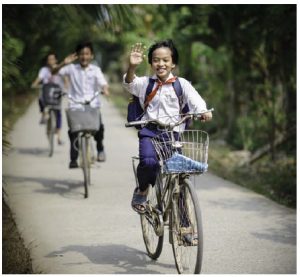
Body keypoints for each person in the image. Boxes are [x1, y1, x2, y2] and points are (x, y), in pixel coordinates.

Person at [123, 39, 213, 214]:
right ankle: (142, 191)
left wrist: (203, 111)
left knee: (179, 177)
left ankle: (185, 226)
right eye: (156, 60)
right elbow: (129, 84)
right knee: (148, 162)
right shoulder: (144, 83)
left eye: (165, 60)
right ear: (150, 63)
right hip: (150, 132)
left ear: (173, 64)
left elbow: (196, 101)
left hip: (173, 135)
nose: (161, 64)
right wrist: (132, 67)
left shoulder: (182, 84)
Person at [55, 41, 110, 168]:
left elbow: (103, 83)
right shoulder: (71, 68)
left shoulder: (96, 70)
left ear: (91, 56)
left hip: (92, 104)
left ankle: (100, 148)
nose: (84, 57)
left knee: (99, 127)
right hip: (76, 105)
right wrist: (64, 63)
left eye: (87, 54)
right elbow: (53, 72)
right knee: (73, 131)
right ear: (77, 56)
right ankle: (73, 158)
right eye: (81, 54)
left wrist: (106, 90)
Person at [31, 52, 65, 145]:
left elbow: (66, 79)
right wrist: (35, 83)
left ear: (56, 60)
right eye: (49, 59)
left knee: (58, 113)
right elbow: (39, 78)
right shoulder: (44, 70)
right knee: (40, 98)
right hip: (47, 92)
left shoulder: (60, 69)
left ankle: (58, 136)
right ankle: (44, 114)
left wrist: (66, 87)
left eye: (52, 59)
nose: (51, 61)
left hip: (57, 93)